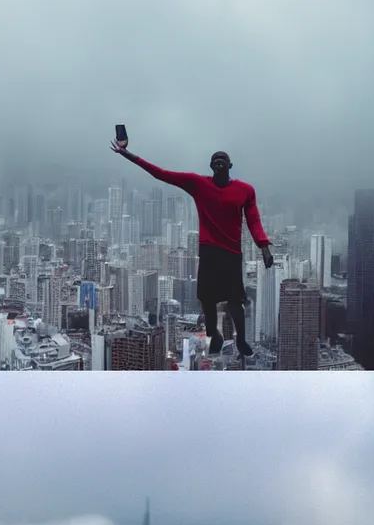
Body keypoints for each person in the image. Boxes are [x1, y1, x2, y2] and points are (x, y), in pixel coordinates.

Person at [111, 138, 274, 361]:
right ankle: (213, 335)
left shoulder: (245, 190)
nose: (219, 162)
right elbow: (161, 173)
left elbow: (253, 220)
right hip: (209, 250)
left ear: (230, 166)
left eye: (223, 160)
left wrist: (264, 247)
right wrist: (128, 154)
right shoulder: (199, 184)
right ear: (210, 167)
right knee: (207, 299)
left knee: (236, 301)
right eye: (215, 160)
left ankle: (242, 340)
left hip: (232, 253)